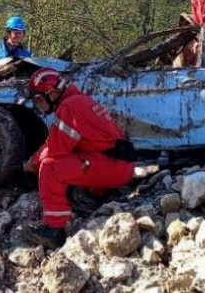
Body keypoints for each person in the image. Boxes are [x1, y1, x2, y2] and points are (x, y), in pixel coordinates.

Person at [21, 68, 136, 249]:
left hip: (112, 166)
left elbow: (55, 149)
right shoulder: (79, 101)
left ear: (52, 93)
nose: (39, 105)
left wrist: (32, 163)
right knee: (72, 160)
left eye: (39, 99)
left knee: (50, 167)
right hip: (117, 163)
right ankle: (92, 198)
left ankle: (54, 229)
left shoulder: (69, 107)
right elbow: (62, 143)